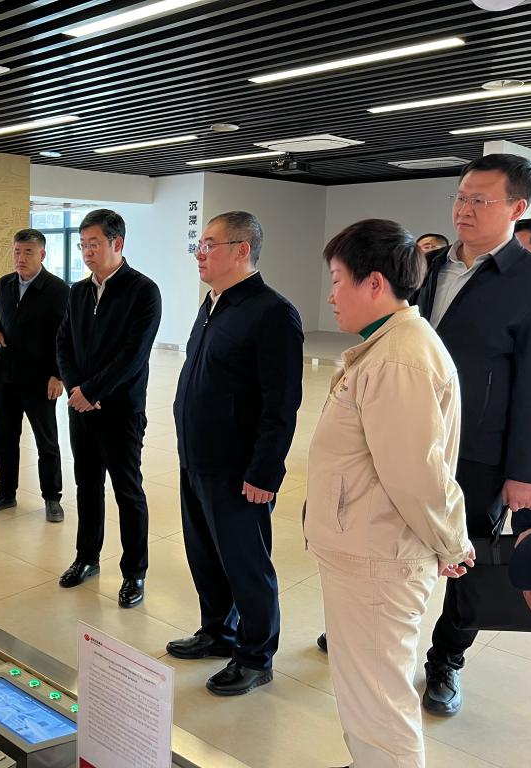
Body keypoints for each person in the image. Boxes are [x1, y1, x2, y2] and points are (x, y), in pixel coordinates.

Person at [307, 218, 474, 768]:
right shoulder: (388, 346)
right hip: (367, 545)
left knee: (379, 702)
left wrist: (451, 541)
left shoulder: (400, 358)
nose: (330, 295)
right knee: (366, 693)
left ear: (374, 283)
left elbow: (415, 474)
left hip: (379, 557)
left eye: (337, 280)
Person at [165, 211, 303, 696]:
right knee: (205, 555)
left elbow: (281, 403)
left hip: (239, 468)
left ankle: (255, 655)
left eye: (209, 244)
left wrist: (265, 470)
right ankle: (217, 631)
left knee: (246, 564)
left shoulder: (272, 312)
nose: (199, 253)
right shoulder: (213, 304)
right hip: (197, 457)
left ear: (242, 250)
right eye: (199, 244)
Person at [417, 154, 531, 716]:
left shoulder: (526, 281)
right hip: (409, 439)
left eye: (479, 200)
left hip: (479, 450)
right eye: (461, 197)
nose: (464, 209)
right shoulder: (425, 267)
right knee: (390, 537)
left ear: (517, 208)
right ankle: (381, 623)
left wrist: (523, 472)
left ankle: (447, 658)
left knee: (466, 558)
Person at [56, 208, 162, 608]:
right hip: (81, 407)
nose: (87, 252)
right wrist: (76, 388)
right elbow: (63, 342)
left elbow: (134, 354)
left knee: (127, 490)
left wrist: (93, 390)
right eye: (83, 245)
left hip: (122, 410)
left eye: (94, 244)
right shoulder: (78, 292)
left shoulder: (143, 291)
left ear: (117, 243)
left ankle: (134, 572)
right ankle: (87, 557)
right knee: (87, 486)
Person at [0, 229, 69, 522]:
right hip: (5, 377)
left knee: (47, 443)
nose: (21, 258)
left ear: (42, 254)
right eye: (17, 252)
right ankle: (6, 492)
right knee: (4, 439)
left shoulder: (57, 289)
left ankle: (52, 498)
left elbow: (66, 336)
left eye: (28, 252)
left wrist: (58, 375)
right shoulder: (5, 283)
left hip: (40, 380)